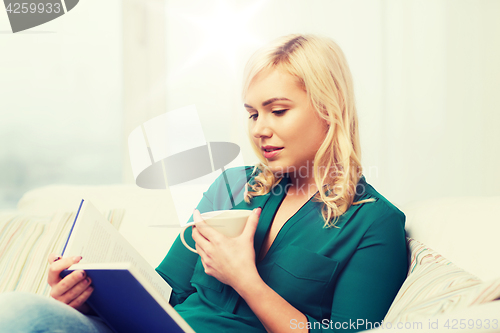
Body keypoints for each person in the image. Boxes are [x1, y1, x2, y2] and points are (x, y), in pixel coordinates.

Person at [0, 34, 408, 333]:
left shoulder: (375, 223)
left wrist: (245, 280)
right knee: (24, 312)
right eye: (252, 114)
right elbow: (164, 293)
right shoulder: (233, 187)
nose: (260, 130)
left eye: (278, 110)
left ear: (328, 109)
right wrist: (85, 298)